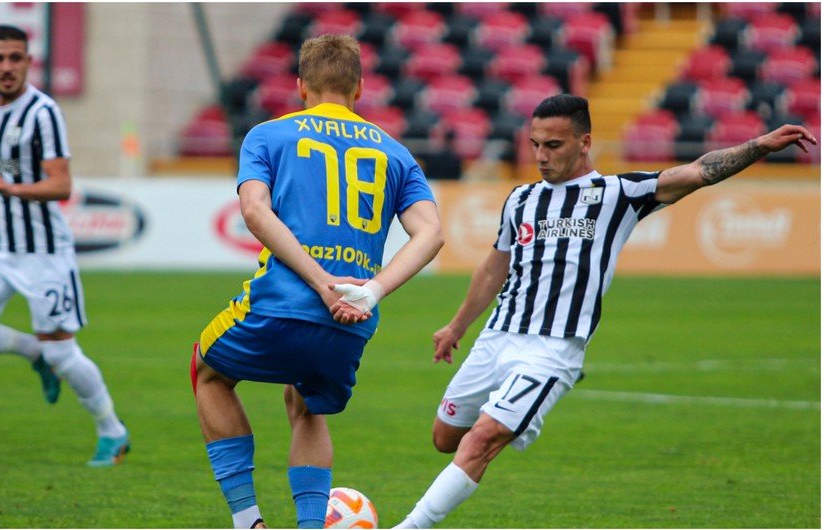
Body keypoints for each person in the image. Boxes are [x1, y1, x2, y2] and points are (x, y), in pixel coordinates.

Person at [394, 94, 817, 528]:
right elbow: (493, 268)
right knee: (445, 438)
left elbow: (697, 171)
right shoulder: (521, 198)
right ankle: (517, 415)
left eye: (553, 145)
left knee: (482, 439)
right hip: (496, 337)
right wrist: (456, 326)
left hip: (552, 350)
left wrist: (759, 145)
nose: (541, 156)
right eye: (535, 144)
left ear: (584, 142)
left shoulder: (618, 194)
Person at [191, 34, 443, 529]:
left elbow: (254, 211)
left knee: (207, 372)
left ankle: (248, 522)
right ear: (360, 88)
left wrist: (320, 280)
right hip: (352, 319)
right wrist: (371, 291)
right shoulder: (396, 153)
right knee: (307, 405)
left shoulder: (267, 135)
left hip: (282, 302)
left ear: (301, 86)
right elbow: (431, 233)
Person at [0, 25, 130, 467]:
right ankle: (34, 353)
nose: (7, 66)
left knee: (62, 350)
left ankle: (112, 431)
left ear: (29, 62)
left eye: (15, 58)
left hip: (43, 252)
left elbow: (61, 185)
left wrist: (10, 188)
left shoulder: (44, 113)